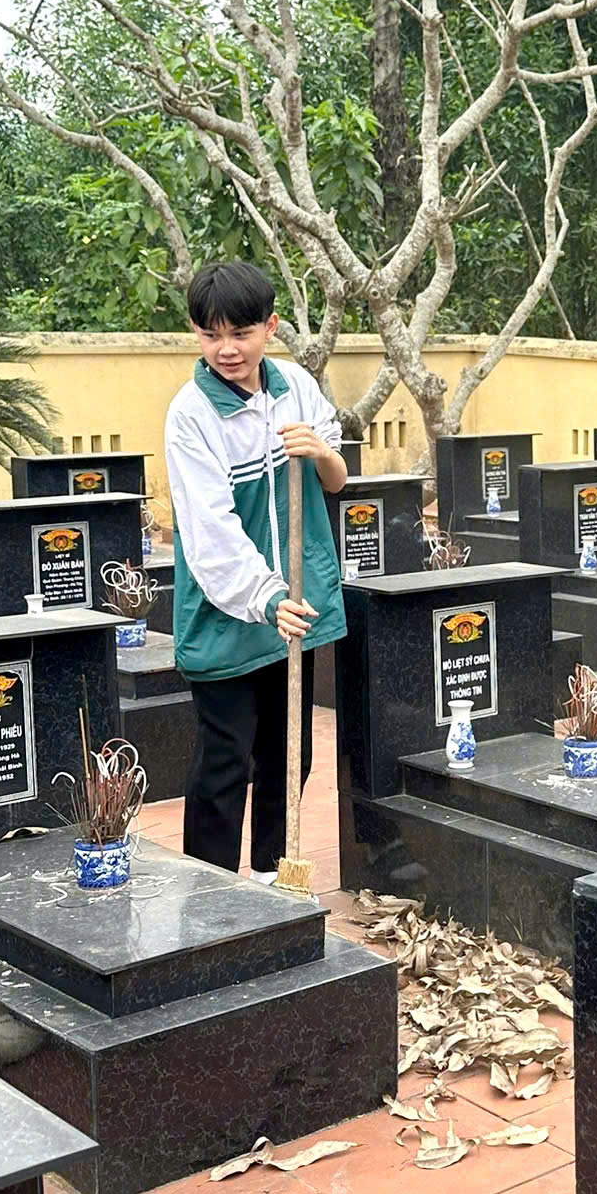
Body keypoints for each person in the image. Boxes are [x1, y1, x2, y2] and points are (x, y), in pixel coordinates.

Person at [165, 261, 347, 879]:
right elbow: (210, 532)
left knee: (289, 751)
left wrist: (320, 450)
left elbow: (336, 481)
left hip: (298, 599)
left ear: (270, 327)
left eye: (241, 333)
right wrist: (267, 597)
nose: (227, 349)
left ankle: (273, 877)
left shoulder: (295, 386)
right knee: (225, 759)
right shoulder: (191, 414)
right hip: (229, 610)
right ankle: (212, 894)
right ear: (195, 332)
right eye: (211, 334)